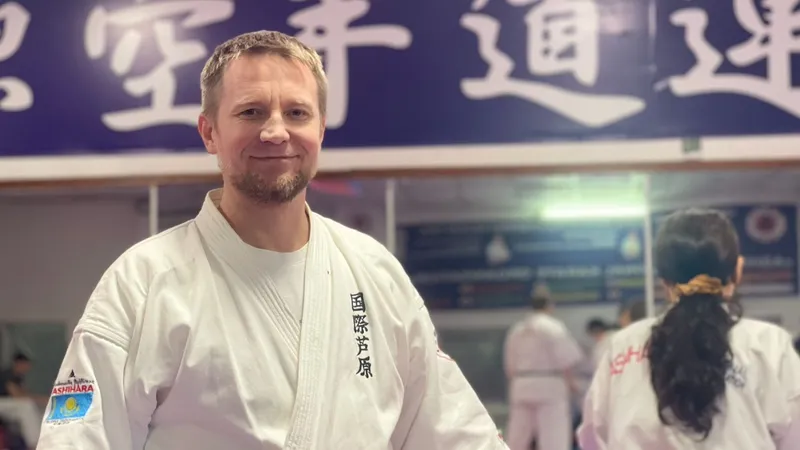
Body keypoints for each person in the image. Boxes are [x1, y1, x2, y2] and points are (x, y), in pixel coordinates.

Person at [37, 30, 507, 450]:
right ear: (210, 132)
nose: (276, 131)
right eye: (251, 112)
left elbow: (453, 431)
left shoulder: (374, 272)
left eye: (297, 113)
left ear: (320, 130)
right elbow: (79, 439)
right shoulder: (144, 281)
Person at [577, 209, 800, 449]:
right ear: (738, 270)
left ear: (664, 281)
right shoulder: (768, 343)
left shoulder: (624, 345)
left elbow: (593, 436)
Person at [503, 294, 583, 450]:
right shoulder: (553, 327)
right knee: (553, 435)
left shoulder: (517, 329)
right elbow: (567, 359)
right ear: (549, 307)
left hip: (521, 383)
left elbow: (509, 364)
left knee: (517, 436)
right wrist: (571, 382)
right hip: (549, 383)